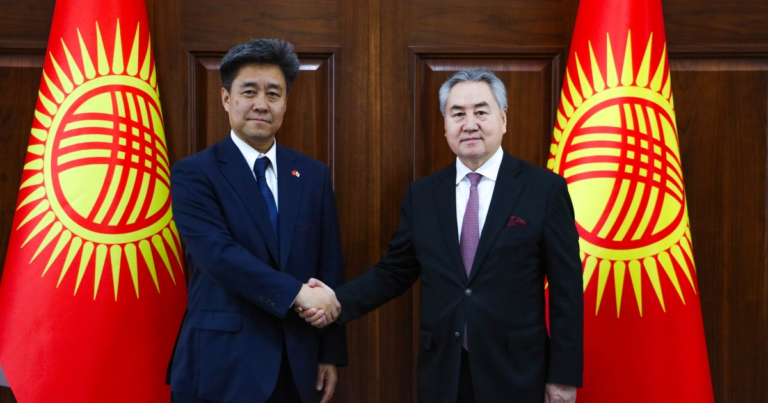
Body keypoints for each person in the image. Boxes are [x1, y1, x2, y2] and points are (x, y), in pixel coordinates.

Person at [301, 69, 583, 403]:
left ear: (503, 119)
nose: (469, 124)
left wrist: (563, 376)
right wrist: (336, 302)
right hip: (444, 371)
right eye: (458, 114)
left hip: (517, 371)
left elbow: (566, 290)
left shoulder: (544, 190)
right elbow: (395, 271)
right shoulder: (423, 195)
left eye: (481, 112)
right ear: (445, 125)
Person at [168, 39, 347, 403]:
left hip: (297, 363)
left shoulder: (312, 175)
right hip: (221, 364)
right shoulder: (194, 173)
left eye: (273, 94)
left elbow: (328, 264)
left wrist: (329, 351)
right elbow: (219, 256)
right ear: (226, 99)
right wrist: (297, 293)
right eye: (249, 92)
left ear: (285, 102)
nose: (261, 104)